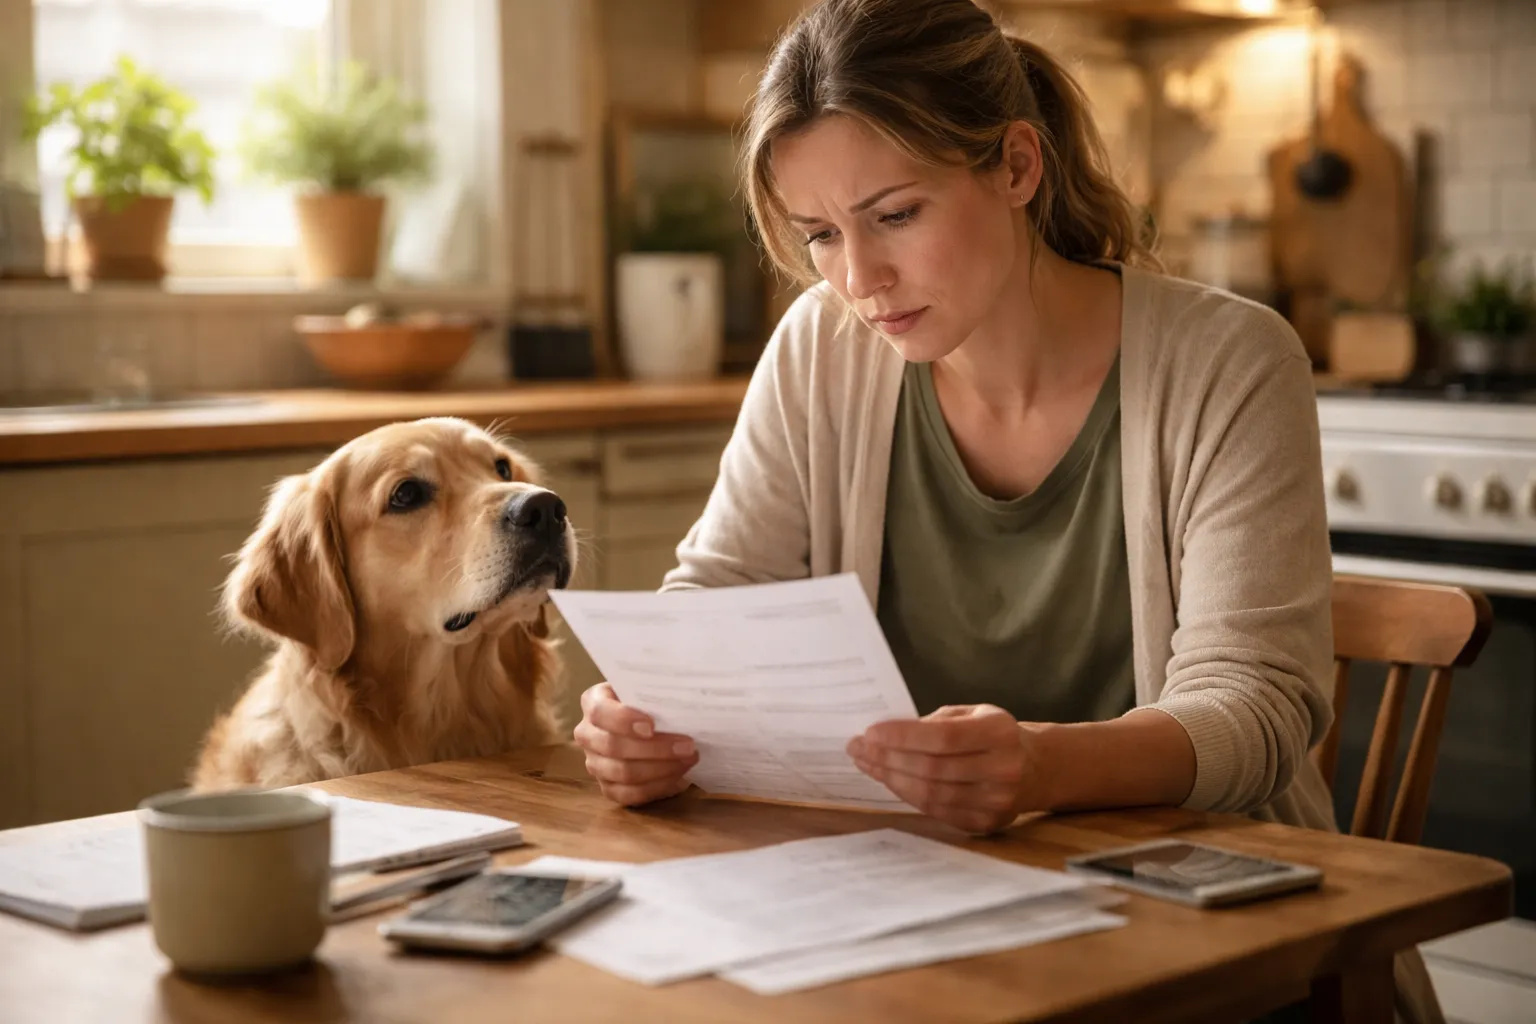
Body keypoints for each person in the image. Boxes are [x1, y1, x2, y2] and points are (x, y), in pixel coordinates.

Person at [575, 0, 1338, 843]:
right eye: (821, 234)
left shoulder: (1231, 362)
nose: (859, 279)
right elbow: (719, 597)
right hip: (907, 876)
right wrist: (645, 716)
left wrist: (1043, 768)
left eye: (896, 215)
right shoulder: (820, 345)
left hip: (1203, 881)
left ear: (1017, 166)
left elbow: (1254, 709)